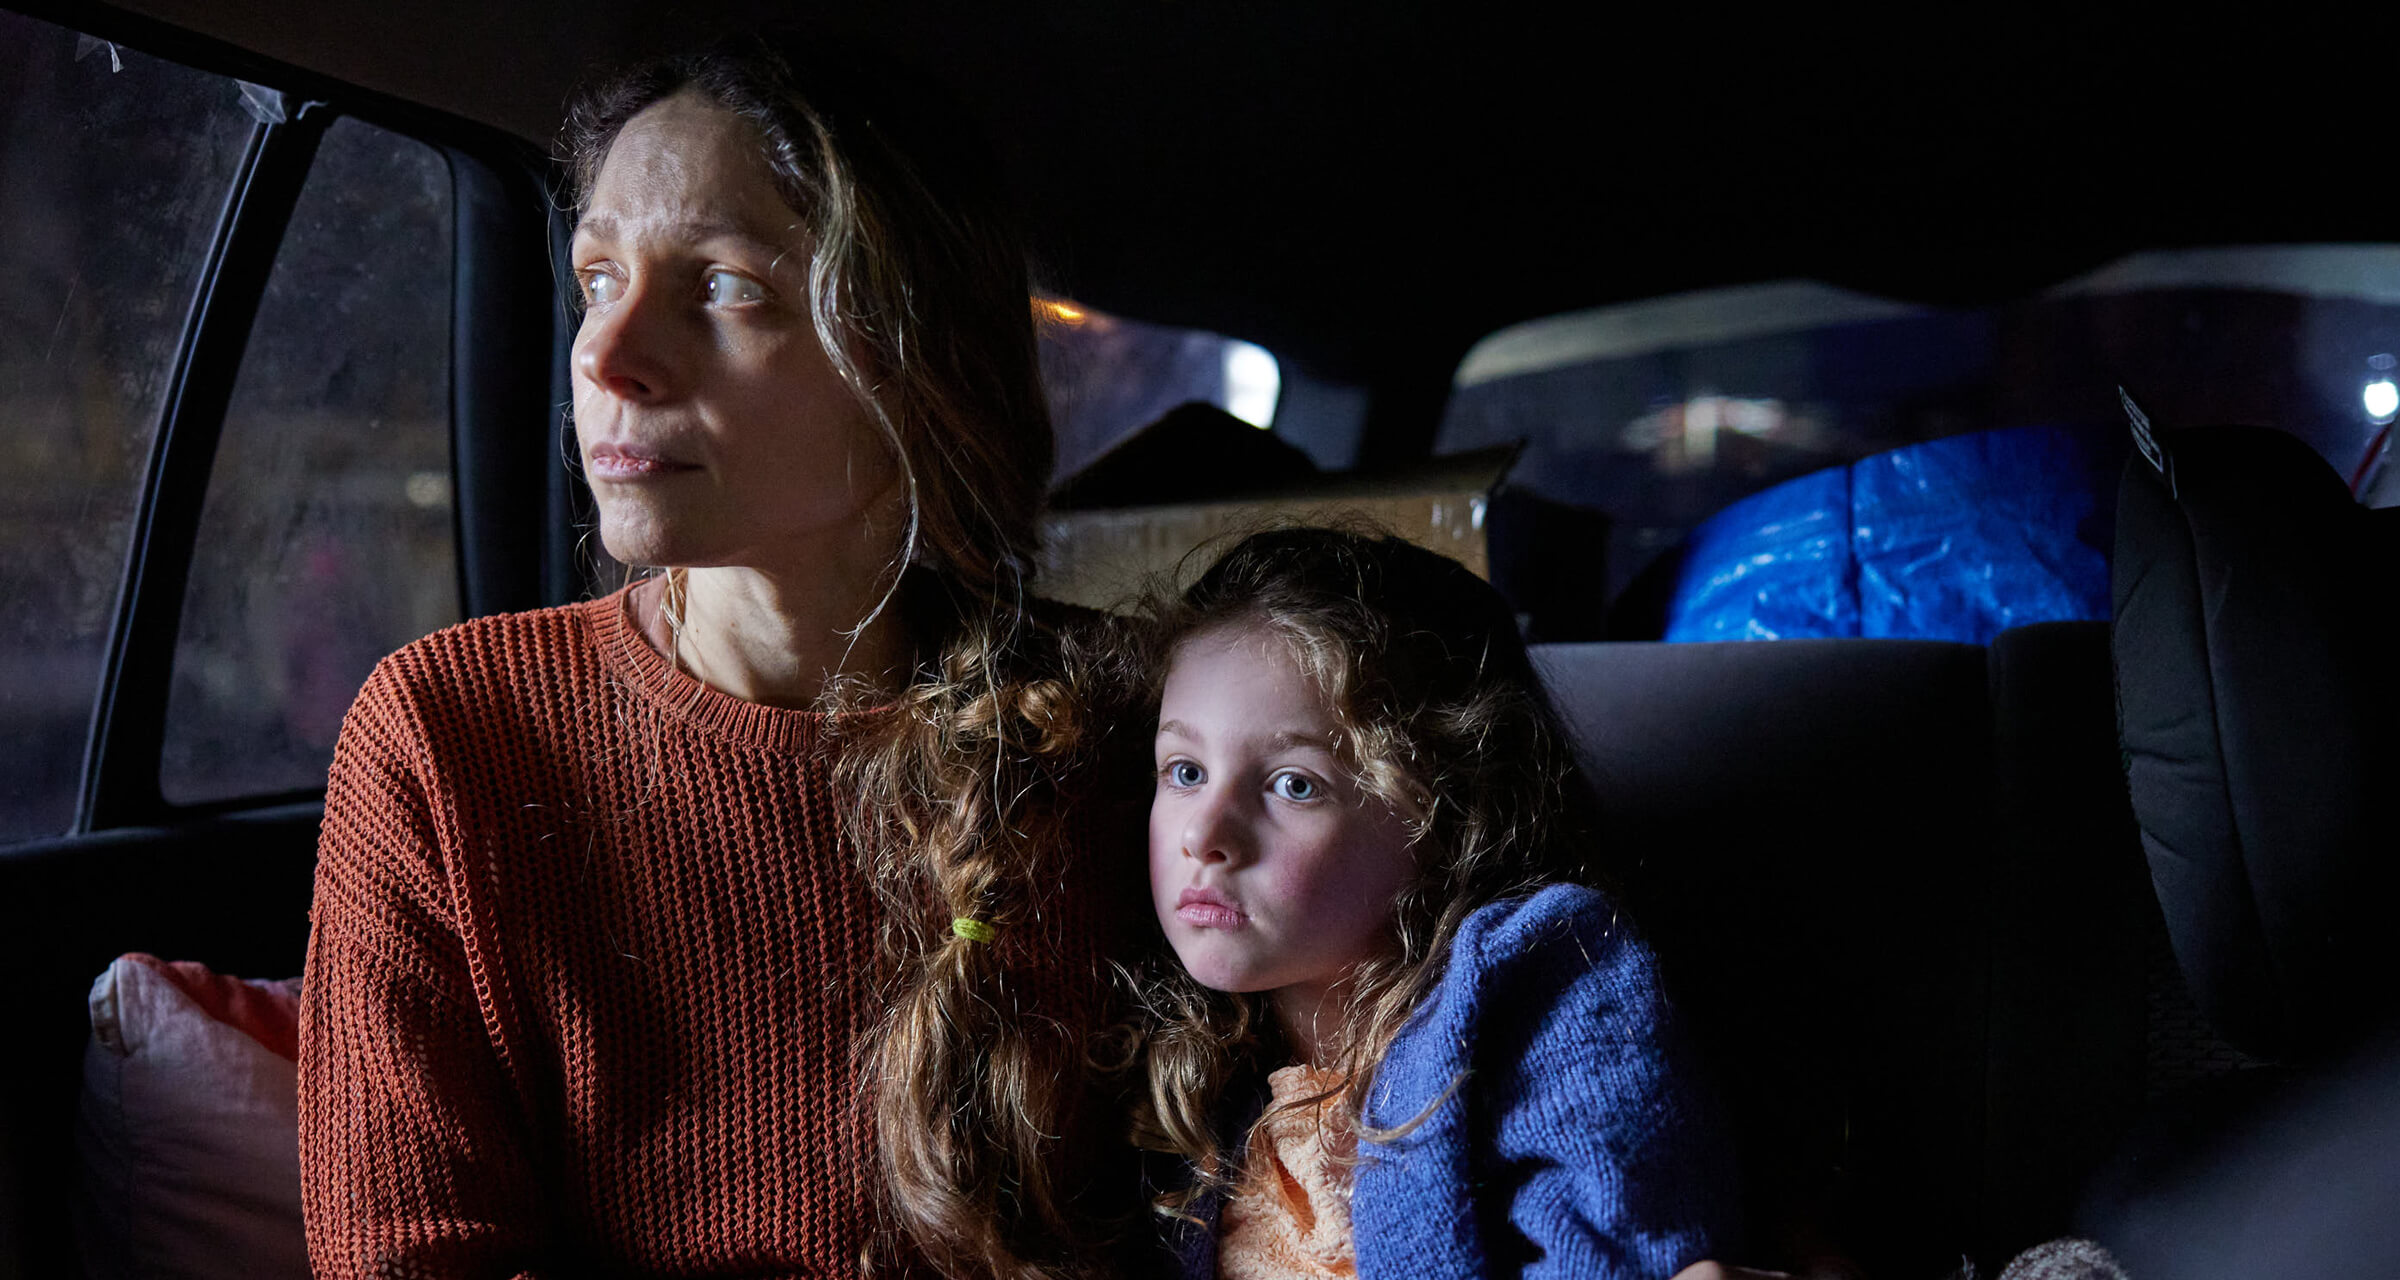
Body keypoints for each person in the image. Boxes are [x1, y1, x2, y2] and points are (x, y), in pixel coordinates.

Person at [297, 43, 1140, 1279]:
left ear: (909, 360)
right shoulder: (448, 730)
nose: (605, 352)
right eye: (597, 277)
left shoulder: (1132, 734)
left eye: (725, 286)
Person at [1119, 526, 1740, 1279]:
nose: (1204, 836)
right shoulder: (1189, 1050)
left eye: (1294, 784)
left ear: (1445, 818)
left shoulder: (1543, 987)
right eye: (1184, 771)